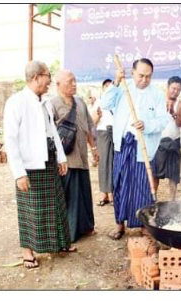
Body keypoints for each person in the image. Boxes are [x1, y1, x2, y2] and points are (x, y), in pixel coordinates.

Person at [4, 61, 75, 269]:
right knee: (30, 208)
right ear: (36, 77)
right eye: (47, 76)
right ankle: (28, 251)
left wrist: (61, 157)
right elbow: (11, 139)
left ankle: (60, 243)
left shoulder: (44, 101)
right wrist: (19, 173)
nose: (50, 80)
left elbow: (52, 131)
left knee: (55, 204)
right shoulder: (16, 102)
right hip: (29, 164)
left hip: (49, 158)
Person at [101, 58, 169, 240]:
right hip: (122, 146)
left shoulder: (157, 94)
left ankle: (143, 226)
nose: (144, 80)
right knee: (120, 185)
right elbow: (105, 104)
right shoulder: (122, 87)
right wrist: (115, 82)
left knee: (142, 187)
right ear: (132, 73)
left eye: (148, 76)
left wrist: (146, 124)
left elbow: (164, 120)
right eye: (141, 75)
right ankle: (119, 225)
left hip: (143, 148)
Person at [52, 69, 98, 243]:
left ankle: (86, 227)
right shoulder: (52, 104)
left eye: (74, 81)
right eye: (69, 81)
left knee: (84, 195)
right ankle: (69, 233)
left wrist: (94, 149)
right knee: (70, 198)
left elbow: (88, 127)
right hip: (66, 161)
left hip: (82, 158)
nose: (74, 84)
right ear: (58, 85)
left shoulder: (80, 102)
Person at [152, 76, 181, 201]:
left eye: (178, 89)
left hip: (174, 142)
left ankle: (172, 201)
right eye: (173, 88)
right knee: (155, 173)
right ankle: (153, 199)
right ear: (167, 87)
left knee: (173, 175)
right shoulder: (157, 101)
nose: (175, 91)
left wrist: (173, 113)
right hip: (158, 142)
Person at [93, 79, 115, 206]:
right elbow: (92, 122)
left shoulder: (116, 101)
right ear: (102, 88)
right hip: (103, 133)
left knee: (113, 163)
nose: (108, 88)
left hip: (115, 133)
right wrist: (98, 116)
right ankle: (104, 194)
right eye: (106, 86)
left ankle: (112, 193)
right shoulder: (99, 102)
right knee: (103, 164)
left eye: (111, 86)